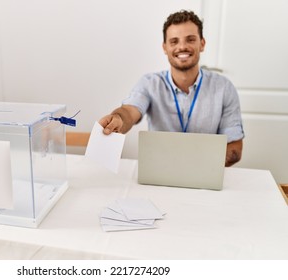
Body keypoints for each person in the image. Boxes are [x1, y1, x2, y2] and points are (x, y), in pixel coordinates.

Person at [98, 10, 244, 167]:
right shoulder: (149, 83)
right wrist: (119, 119)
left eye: (190, 39)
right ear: (165, 47)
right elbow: (129, 111)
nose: (182, 47)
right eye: (174, 41)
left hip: (206, 174)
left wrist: (195, 165)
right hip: (159, 172)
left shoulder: (224, 87)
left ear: (202, 44)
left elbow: (235, 149)